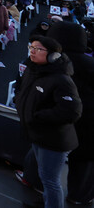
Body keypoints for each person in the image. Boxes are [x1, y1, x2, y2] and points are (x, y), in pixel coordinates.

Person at [14, 35, 82, 208]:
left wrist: (40, 117)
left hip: (53, 140)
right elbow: (22, 88)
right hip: (37, 133)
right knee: (44, 176)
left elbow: (72, 110)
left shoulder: (62, 79)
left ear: (53, 55)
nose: (32, 51)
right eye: (31, 47)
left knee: (50, 181)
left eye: (38, 49)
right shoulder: (32, 68)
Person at [47, 22, 94, 205]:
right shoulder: (90, 64)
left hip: (53, 119)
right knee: (84, 164)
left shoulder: (52, 61)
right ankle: (79, 196)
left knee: (42, 154)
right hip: (88, 125)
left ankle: (33, 180)